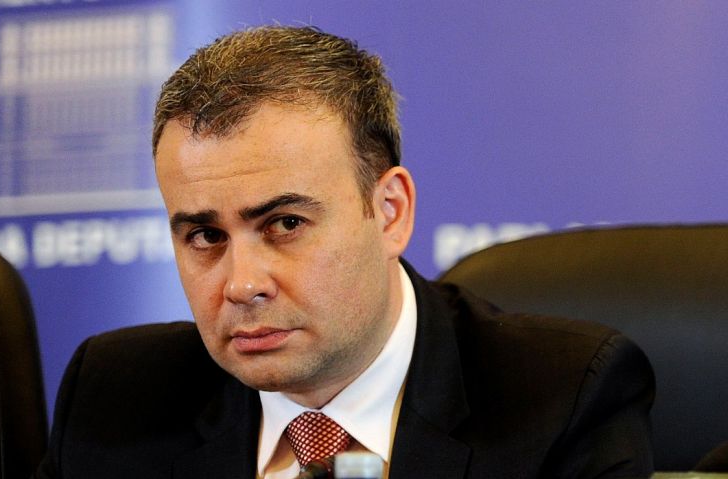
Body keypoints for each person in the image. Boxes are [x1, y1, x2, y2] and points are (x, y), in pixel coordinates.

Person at [34, 26, 654, 479]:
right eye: (205, 236)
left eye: (285, 223)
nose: (242, 284)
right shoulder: (115, 399)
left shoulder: (560, 397)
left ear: (389, 213)